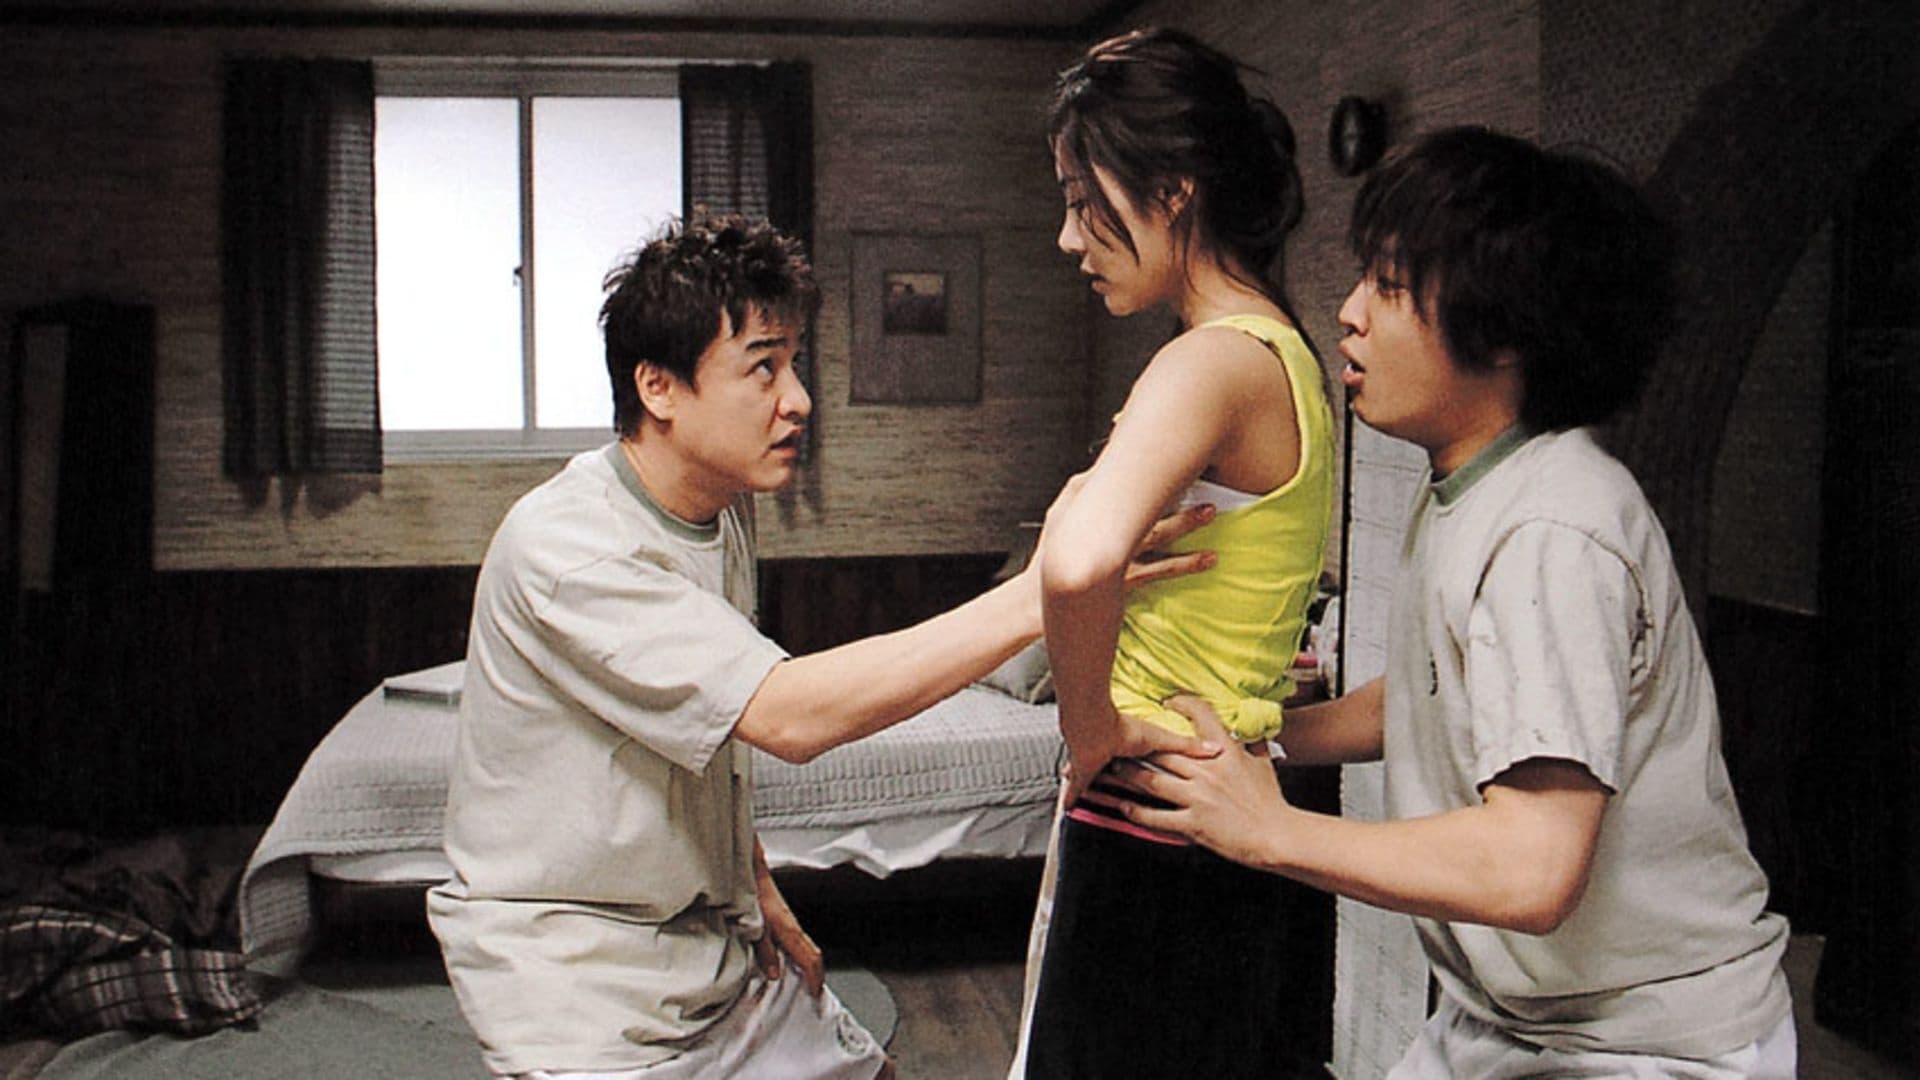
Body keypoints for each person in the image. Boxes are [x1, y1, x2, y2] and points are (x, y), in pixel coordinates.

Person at [424, 215, 1215, 1080]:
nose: (798, 398)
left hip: (704, 945)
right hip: (578, 982)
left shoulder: (718, 507)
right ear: (658, 387)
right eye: (763, 367)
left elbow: (703, 731)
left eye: (793, 364)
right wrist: (1046, 591)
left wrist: (755, 888)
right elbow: (790, 717)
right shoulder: (572, 547)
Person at [1110, 127, 1798, 1077]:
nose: (1349, 313)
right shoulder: (1475, 488)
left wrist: (1270, 829)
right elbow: (1433, 698)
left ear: (1505, 331)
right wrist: (1261, 740)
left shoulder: (1553, 528)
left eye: (1388, 286)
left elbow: (1532, 866)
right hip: (1513, 1021)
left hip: (1650, 1045)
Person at [1016, 27, 1338, 1079]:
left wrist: (1089, 726)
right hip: (1222, 802)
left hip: (1152, 815)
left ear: (1173, 190)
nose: (1070, 238)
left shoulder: (1211, 360)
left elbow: (1077, 562)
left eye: (1083, 201)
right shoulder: (1283, 355)